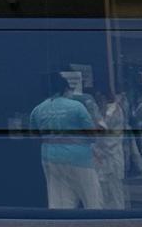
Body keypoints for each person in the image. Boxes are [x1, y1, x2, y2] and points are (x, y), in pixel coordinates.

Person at [32, 72, 105, 209]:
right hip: (80, 160)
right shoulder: (76, 106)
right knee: (92, 200)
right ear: (65, 89)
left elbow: (35, 135)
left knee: (60, 204)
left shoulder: (38, 110)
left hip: (51, 160)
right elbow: (92, 135)